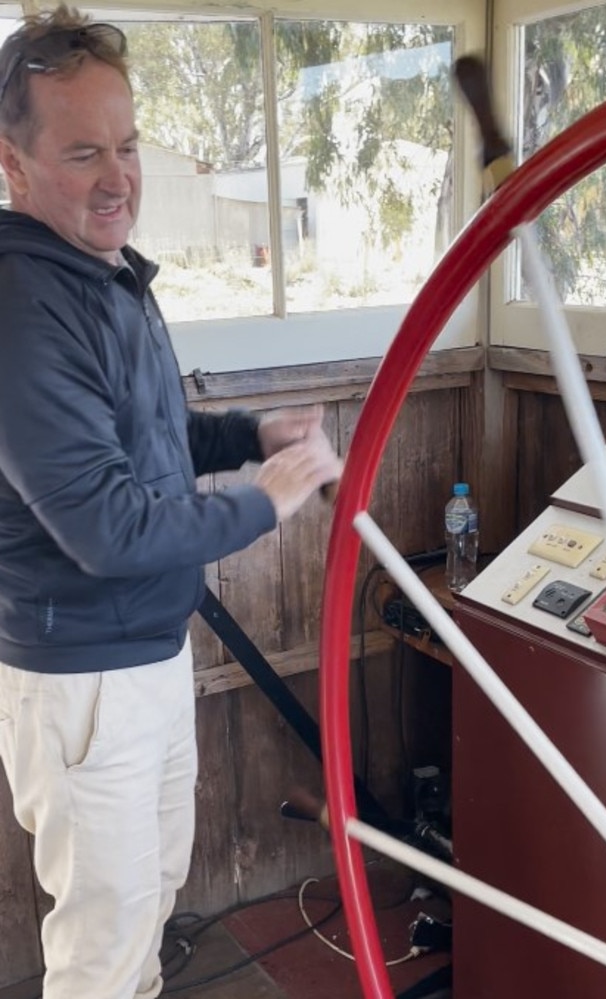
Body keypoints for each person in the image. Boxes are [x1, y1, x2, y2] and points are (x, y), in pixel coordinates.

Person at [0, 6, 342, 998]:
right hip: (85, 678)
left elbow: (144, 442)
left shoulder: (96, 275)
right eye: (82, 153)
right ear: (14, 163)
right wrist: (266, 502)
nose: (119, 178)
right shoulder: (24, 304)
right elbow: (107, 524)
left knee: (144, 908)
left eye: (130, 145)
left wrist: (248, 440)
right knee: (102, 955)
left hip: (142, 653)